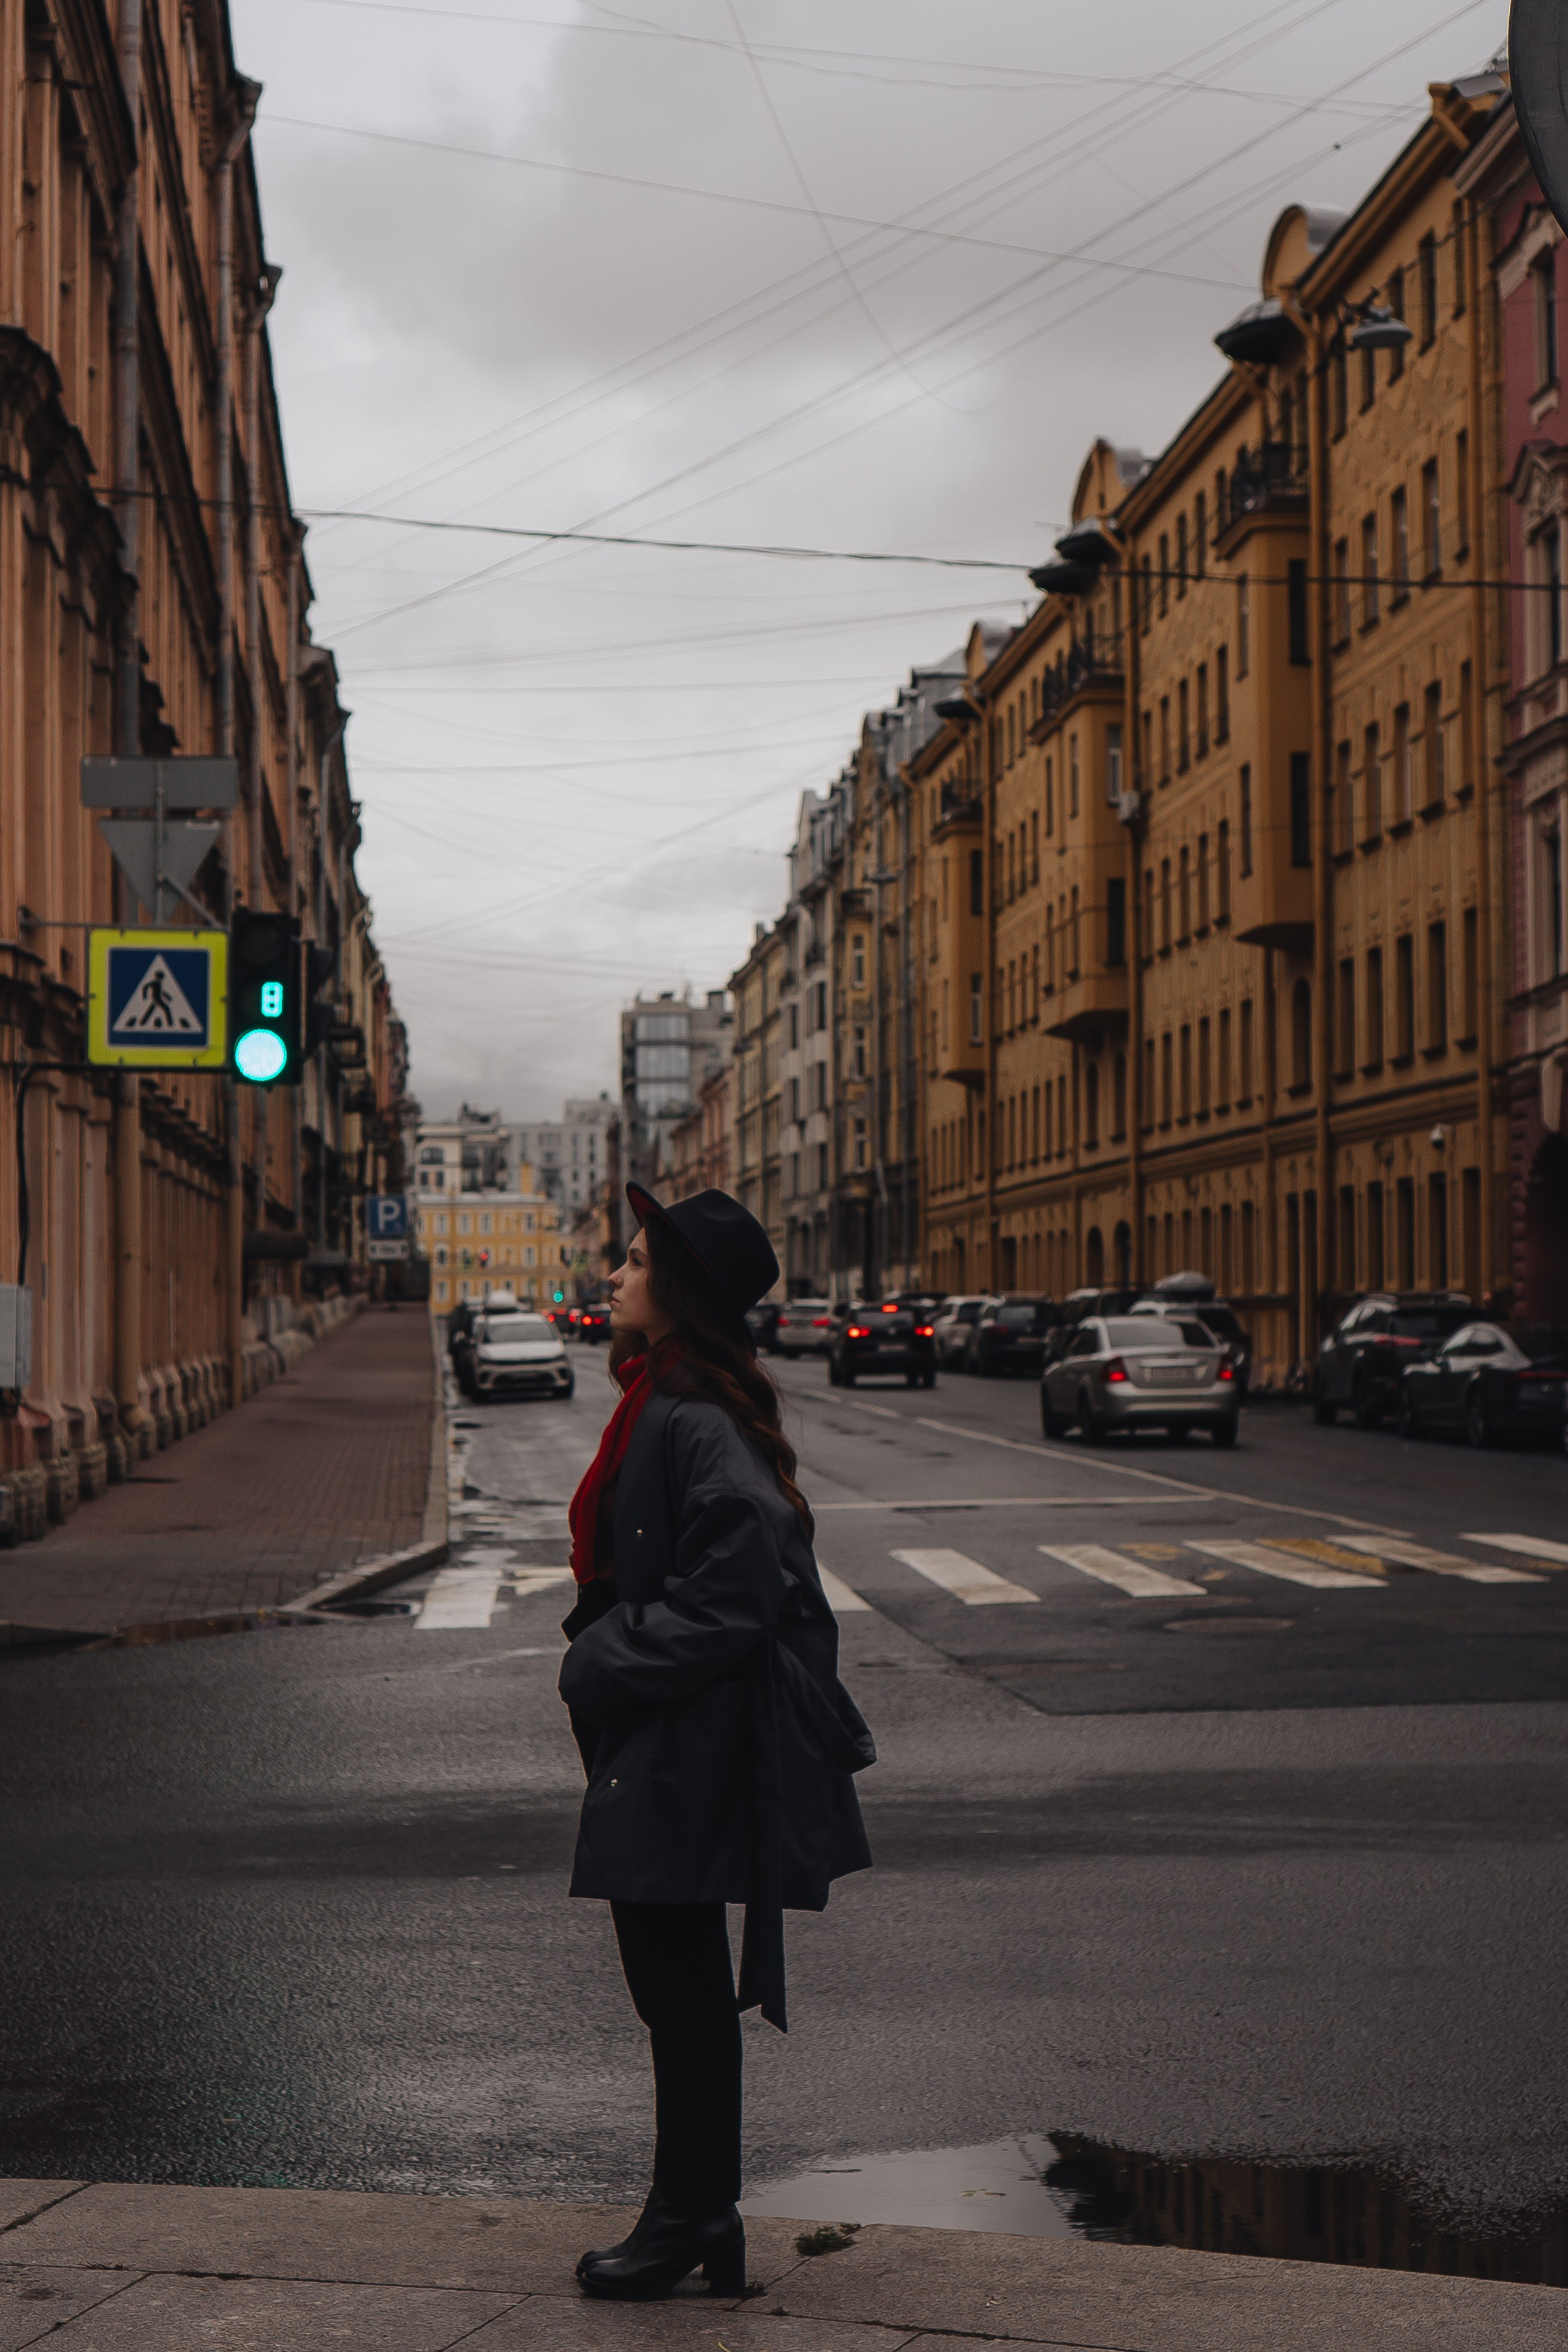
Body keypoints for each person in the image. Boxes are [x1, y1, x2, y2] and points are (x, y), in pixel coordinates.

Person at [559, 1183, 874, 2302]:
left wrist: (602, 1659)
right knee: (675, 1983)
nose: (616, 1274)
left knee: (678, 1986)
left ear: (679, 1293)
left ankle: (692, 2212)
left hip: (690, 1739)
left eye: (636, 1261)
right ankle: (695, 2212)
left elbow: (738, 1588)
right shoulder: (665, 1399)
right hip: (675, 1732)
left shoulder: (691, 1415)